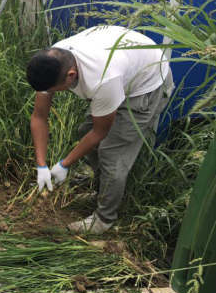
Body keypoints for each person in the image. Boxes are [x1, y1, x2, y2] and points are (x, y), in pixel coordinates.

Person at [26, 26, 174, 233]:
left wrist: (64, 164)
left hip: (146, 86)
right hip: (124, 70)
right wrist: (41, 165)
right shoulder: (52, 62)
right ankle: (101, 192)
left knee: (112, 153)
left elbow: (100, 132)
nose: (51, 93)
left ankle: (104, 219)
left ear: (71, 75)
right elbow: (39, 116)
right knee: (84, 132)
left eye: (53, 90)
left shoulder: (102, 78)